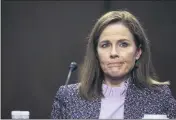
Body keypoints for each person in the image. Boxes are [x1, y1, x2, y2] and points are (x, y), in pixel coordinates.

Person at [50, 10, 176, 119]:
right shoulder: (68, 96)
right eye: (105, 45)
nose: (114, 53)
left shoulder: (159, 96)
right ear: (96, 53)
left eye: (123, 44)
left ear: (138, 52)